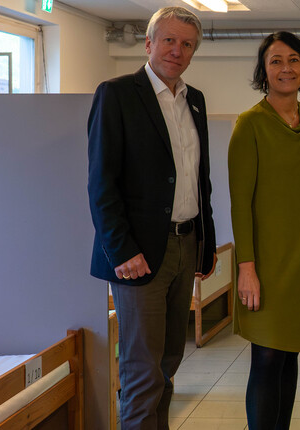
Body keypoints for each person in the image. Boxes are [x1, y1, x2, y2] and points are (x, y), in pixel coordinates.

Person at [86, 6, 215, 430]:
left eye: (187, 44)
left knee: (169, 361)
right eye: (169, 40)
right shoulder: (117, 94)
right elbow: (101, 183)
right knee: (142, 369)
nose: (177, 51)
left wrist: (206, 244)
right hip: (138, 254)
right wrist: (122, 250)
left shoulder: (193, 101)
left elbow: (201, 181)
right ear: (148, 43)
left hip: (185, 244)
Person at [227, 31, 300, 430]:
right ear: (263, 70)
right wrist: (247, 268)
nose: (285, 68)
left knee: (290, 355)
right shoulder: (249, 124)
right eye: (275, 61)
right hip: (267, 265)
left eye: (293, 59)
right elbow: (241, 203)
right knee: (267, 357)